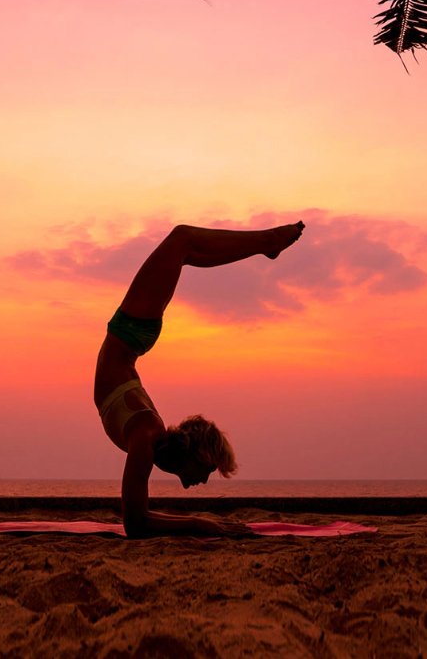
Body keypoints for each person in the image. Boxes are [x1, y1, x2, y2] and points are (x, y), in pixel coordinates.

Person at [93, 221, 306, 538]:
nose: (204, 481)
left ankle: (267, 245)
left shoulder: (148, 438)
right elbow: (136, 524)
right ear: (197, 455)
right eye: (208, 470)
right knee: (182, 239)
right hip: (131, 330)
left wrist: (195, 524)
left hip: (133, 334)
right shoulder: (146, 433)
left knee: (185, 246)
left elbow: (137, 521)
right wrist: (196, 524)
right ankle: (267, 242)